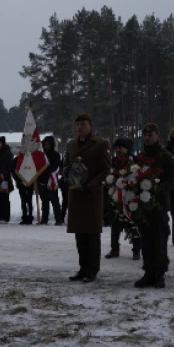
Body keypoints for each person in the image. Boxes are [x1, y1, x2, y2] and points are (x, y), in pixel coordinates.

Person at [62, 113, 111, 283]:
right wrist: (68, 173)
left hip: (91, 196)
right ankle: (83, 268)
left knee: (92, 235)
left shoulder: (100, 144)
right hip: (76, 195)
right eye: (77, 124)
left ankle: (92, 269)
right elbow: (65, 165)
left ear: (90, 125)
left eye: (83, 124)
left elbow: (106, 170)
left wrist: (91, 185)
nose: (79, 127)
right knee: (80, 235)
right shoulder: (71, 145)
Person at [133, 123, 174, 288]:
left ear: (158, 136)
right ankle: (148, 272)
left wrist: (159, 189)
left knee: (159, 238)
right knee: (145, 238)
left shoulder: (165, 156)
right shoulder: (140, 157)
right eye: (145, 135)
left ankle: (159, 274)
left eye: (150, 135)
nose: (147, 138)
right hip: (143, 205)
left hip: (159, 204)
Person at [105, 137, 141, 261]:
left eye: (120, 147)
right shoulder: (114, 161)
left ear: (127, 149)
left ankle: (136, 250)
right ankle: (114, 249)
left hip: (131, 198)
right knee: (115, 224)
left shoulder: (134, 161)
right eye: (116, 148)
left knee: (133, 225)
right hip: (117, 198)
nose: (117, 150)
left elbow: (138, 177)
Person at [37, 136, 63, 225]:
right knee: (44, 202)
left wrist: (46, 170)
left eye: (48, 144)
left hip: (51, 181)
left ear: (52, 144)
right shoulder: (41, 155)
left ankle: (58, 219)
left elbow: (55, 167)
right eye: (45, 144)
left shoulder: (56, 154)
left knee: (55, 202)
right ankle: (44, 219)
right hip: (42, 181)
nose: (46, 146)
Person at [0, 136, 16, 223]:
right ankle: (0, 217)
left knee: (5, 198)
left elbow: (10, 168)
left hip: (5, 178)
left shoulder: (7, 154)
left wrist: (5, 180)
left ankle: (6, 217)